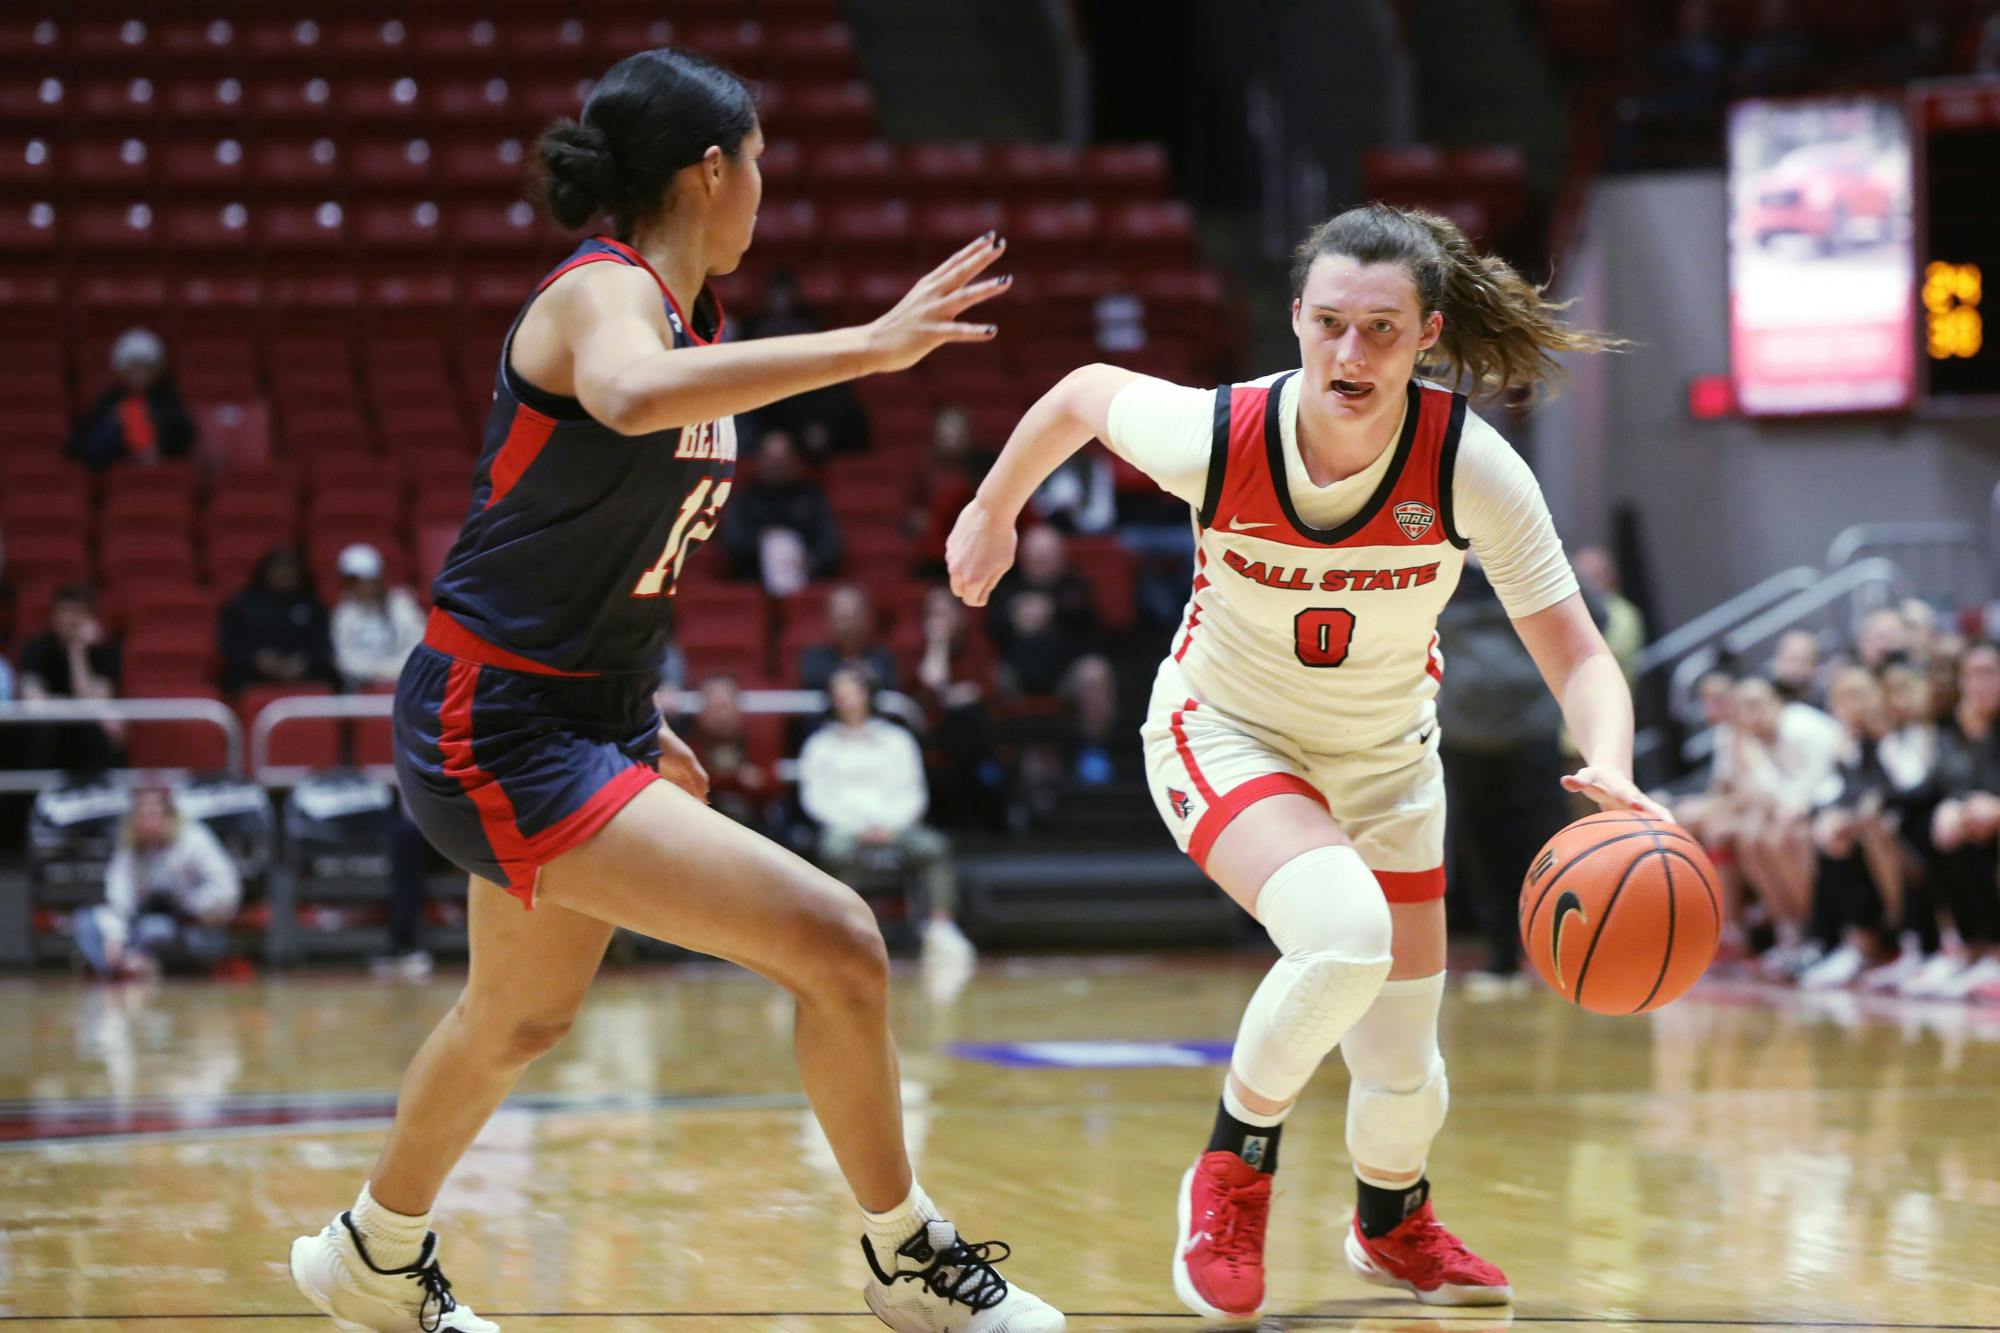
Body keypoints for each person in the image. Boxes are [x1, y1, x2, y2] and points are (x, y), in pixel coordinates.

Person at [285, 48, 1060, 1333]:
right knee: (841, 943)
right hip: (496, 722)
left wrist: (647, 732)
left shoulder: (693, 326)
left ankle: (369, 1254)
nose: (765, 188)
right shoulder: (601, 294)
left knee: (516, 1016)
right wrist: (867, 348)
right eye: (758, 163)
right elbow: (627, 400)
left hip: (576, 714)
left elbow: (601, 555)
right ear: (711, 171)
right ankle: (902, 1263)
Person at [947, 202, 1661, 1316]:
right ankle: (1230, 1170)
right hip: (1223, 730)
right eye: (1327, 322)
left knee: (1401, 1071)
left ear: (1427, 335)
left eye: (1379, 329)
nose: (1348, 352)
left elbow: (1577, 654)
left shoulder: (1468, 465)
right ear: (1294, 320)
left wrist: (1611, 771)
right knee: (1342, 938)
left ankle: (1390, 1222)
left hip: (1385, 764)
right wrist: (994, 507)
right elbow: (1082, 392)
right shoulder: (1222, 434)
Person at [800, 666, 976, 968]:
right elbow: (816, 799)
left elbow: (914, 792)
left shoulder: (898, 740)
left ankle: (941, 927)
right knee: (834, 850)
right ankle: (843, 929)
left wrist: (890, 826)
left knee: (935, 848)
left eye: (851, 690)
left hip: (896, 825)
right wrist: (858, 827)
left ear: (867, 694)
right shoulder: (820, 745)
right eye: (838, 692)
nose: (844, 698)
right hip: (846, 828)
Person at [75, 785, 242, 979]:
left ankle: (126, 967)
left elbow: (228, 890)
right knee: (86, 921)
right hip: (140, 925)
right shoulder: (129, 848)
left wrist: (187, 905)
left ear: (169, 814)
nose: (149, 820)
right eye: (143, 814)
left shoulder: (194, 840)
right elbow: (117, 900)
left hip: (190, 929)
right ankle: (128, 963)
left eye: (154, 812)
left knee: (156, 928)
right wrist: (114, 938)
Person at [718, 428, 842, 594]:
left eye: (781, 460)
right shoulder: (744, 499)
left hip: (806, 584)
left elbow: (830, 545)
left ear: (794, 460)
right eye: (771, 459)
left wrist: (810, 560)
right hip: (753, 582)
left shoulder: (811, 498)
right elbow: (732, 542)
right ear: (760, 460)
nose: (776, 466)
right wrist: (767, 548)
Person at [16, 582, 123, 771]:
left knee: (106, 727)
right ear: (53, 615)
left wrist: (77, 650)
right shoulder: (34, 649)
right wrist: (76, 707)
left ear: (90, 618)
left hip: (87, 735)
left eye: (77, 612)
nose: (69, 619)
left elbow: (92, 704)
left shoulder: (104, 654)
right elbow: (35, 705)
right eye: (64, 611)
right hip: (48, 733)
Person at [65, 327, 195, 472]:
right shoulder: (108, 401)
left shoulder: (168, 401)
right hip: (116, 477)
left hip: (162, 479)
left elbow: (185, 438)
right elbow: (78, 446)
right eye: (133, 367)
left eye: (145, 367)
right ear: (121, 369)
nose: (139, 374)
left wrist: (160, 448)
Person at [219, 546, 338, 695]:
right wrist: (258, 660)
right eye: (279, 568)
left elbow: (324, 647)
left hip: (304, 676)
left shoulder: (314, 607)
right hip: (253, 676)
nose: (285, 573)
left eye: (290, 568)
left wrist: (302, 663)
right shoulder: (241, 606)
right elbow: (230, 647)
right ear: (264, 572)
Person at [331, 543, 427, 690]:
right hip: (363, 686)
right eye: (354, 582)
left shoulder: (401, 604)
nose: (362, 587)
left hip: (404, 681)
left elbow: (418, 644)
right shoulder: (343, 613)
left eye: (367, 580)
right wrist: (377, 673)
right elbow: (345, 658)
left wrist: (392, 671)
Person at [800, 583, 899, 691]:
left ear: (867, 620)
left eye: (853, 617)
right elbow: (812, 682)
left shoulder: (883, 657)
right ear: (829, 621)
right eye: (842, 618)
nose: (848, 626)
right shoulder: (813, 657)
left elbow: (888, 684)